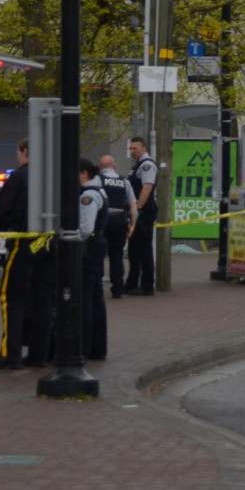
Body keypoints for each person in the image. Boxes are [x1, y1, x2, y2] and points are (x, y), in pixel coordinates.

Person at [0, 139, 53, 369]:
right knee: (42, 299)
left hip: (22, 243)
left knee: (12, 298)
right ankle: (38, 354)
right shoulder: (52, 175)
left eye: (18, 152)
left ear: (24, 151)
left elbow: (1, 208)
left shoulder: (21, 176)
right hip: (47, 244)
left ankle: (10, 354)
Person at [78, 159, 109, 360]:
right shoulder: (100, 191)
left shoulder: (88, 195)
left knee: (86, 298)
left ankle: (85, 346)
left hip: (88, 248)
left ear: (84, 173)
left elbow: (86, 228)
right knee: (96, 298)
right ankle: (97, 347)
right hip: (96, 246)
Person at [98, 153, 138, 298]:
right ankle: (118, 289)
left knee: (98, 254)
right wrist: (132, 225)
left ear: (100, 167)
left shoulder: (98, 180)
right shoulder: (124, 181)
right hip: (119, 221)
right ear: (114, 166)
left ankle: (97, 287)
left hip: (102, 220)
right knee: (117, 255)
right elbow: (133, 206)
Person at [124, 137, 158, 296]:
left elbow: (147, 188)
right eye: (130, 148)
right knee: (134, 249)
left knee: (143, 249)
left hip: (143, 211)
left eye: (135, 148)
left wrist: (138, 207)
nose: (132, 151)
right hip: (138, 212)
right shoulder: (137, 165)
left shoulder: (147, 165)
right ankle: (132, 283)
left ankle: (147, 285)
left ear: (144, 148)